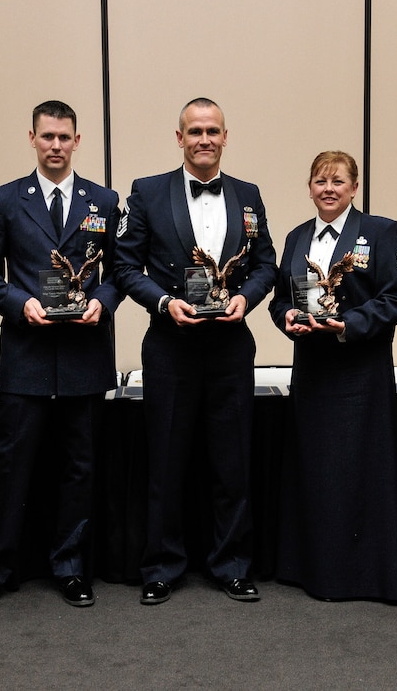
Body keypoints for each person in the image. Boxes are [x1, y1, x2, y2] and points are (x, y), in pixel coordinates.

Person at [113, 97, 277, 605]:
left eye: (213, 131)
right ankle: (162, 566)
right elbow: (124, 267)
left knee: (232, 463)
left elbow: (266, 264)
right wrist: (163, 303)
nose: (204, 139)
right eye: (194, 131)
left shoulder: (248, 194)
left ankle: (232, 565)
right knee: (166, 460)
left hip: (229, 349)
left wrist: (246, 299)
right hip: (170, 347)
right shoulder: (147, 192)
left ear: (225, 137)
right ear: (179, 137)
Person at [0, 100, 122, 614]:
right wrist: (19, 303)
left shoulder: (105, 200)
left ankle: (70, 567)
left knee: (79, 466)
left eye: (64, 137)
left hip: (84, 354)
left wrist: (101, 300)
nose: (56, 146)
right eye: (47, 137)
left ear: (78, 141)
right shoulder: (6, 199)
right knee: (11, 466)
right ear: (31, 138)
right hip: (27, 355)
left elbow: (122, 270)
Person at [268, 150, 397, 601]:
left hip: (360, 372)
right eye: (319, 181)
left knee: (359, 472)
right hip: (312, 372)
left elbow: (396, 298)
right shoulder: (295, 237)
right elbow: (278, 299)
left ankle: (363, 576)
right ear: (309, 187)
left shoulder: (381, 232)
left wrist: (351, 325)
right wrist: (287, 314)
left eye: (337, 181)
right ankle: (312, 570)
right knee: (316, 472)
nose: (327, 189)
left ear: (354, 188)